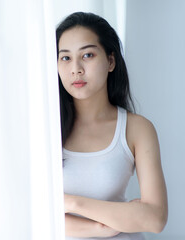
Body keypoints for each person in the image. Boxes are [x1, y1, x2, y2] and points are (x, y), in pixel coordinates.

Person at [57, 12, 168, 239]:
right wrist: (100, 227)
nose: (75, 68)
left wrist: (72, 203)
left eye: (87, 55)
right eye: (65, 58)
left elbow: (155, 218)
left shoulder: (137, 129)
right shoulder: (46, 130)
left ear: (110, 61)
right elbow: (33, 212)